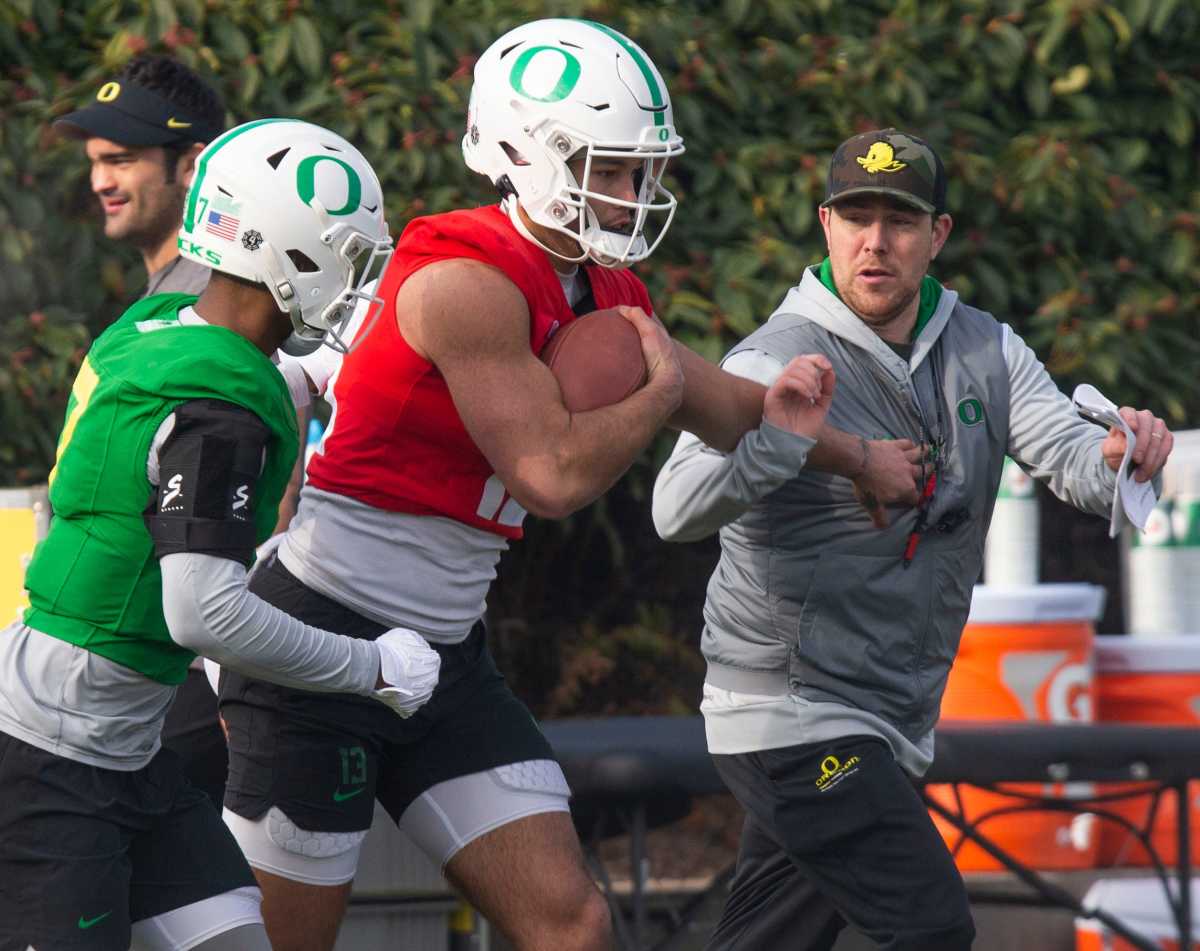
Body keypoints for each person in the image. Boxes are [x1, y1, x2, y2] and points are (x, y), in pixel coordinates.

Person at [213, 18, 870, 951]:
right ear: (526, 154)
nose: (632, 195)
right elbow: (551, 475)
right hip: (319, 638)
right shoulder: (462, 280)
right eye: (611, 168)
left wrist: (862, 460)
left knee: (573, 925)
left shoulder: (604, 291)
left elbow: (737, 410)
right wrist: (660, 396)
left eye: (640, 172)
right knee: (284, 944)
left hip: (443, 652)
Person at [651, 127, 1176, 951]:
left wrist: (1121, 457)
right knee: (932, 924)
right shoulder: (775, 356)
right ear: (826, 225)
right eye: (856, 217)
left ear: (938, 235)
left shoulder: (988, 347)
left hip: (889, 719)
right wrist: (784, 440)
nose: (876, 241)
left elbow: (1073, 460)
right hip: (791, 713)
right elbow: (673, 507)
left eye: (899, 220)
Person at [0, 118, 442, 951]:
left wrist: (307, 371)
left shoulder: (159, 324)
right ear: (288, 253)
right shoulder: (219, 411)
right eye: (347, 256)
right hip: (51, 761)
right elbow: (204, 613)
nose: (358, 282)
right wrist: (371, 668)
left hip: (124, 747)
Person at [53, 55, 309, 809]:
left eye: (122, 159)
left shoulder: (225, 294)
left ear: (193, 166)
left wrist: (234, 672)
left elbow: (272, 468)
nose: (101, 180)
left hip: (199, 668)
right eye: (96, 161)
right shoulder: (172, 296)